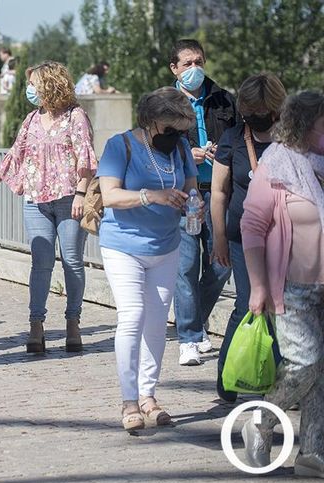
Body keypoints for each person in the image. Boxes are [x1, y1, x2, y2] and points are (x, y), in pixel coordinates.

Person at [96, 87, 200, 432]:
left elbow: (190, 183)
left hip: (166, 245)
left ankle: (148, 396)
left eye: (182, 131)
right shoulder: (120, 145)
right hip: (123, 245)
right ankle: (128, 399)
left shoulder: (180, 148)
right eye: (170, 129)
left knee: (157, 322)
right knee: (133, 315)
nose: (176, 137)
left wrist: (192, 201)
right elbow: (109, 196)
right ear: (152, 120)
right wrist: (150, 196)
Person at [0, 61, 96, 354]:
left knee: (72, 261)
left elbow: (85, 158)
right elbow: (15, 154)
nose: (29, 90)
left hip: (70, 198)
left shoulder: (75, 117)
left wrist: (81, 194)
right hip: (36, 200)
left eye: (33, 84)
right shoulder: (31, 119)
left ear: (50, 84)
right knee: (40, 263)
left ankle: (72, 321)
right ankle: (36, 325)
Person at [241, 90, 324, 477]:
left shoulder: (320, 163)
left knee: (321, 369)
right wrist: (257, 286)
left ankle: (312, 451)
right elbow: (253, 228)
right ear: (307, 124)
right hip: (292, 287)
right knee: (305, 361)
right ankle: (261, 418)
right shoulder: (276, 166)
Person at [210, 72, 286, 402]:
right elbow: (218, 191)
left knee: (283, 307)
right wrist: (219, 238)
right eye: (249, 109)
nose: (254, 116)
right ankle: (229, 375)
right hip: (243, 237)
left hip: (286, 237)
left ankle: (280, 381)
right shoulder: (232, 138)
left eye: (260, 109)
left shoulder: (292, 139)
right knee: (247, 303)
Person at [168, 39, 238, 366]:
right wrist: (187, 153)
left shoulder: (224, 99)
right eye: (187, 64)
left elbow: (239, 138)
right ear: (174, 69)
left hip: (218, 192)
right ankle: (189, 339)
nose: (194, 69)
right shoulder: (164, 104)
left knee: (221, 265)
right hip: (185, 193)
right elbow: (153, 147)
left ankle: (196, 320)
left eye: (199, 62)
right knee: (185, 267)